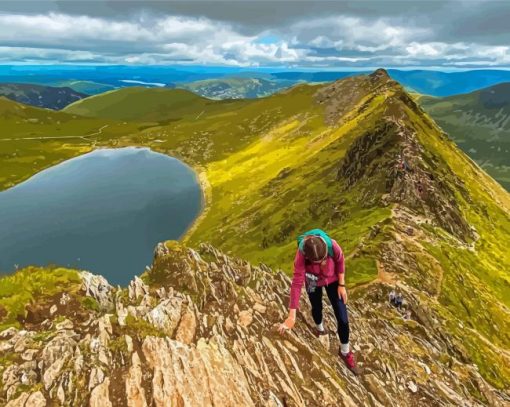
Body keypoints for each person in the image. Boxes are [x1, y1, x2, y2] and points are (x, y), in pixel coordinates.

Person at [277, 229, 358, 374]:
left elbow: (340, 261)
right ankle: (320, 329)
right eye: (318, 262)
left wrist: (342, 284)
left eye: (324, 259)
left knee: (343, 318)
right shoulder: (301, 255)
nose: (322, 263)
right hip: (313, 280)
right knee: (316, 306)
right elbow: (296, 282)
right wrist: (291, 316)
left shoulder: (332, 246)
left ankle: (345, 351)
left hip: (333, 280)